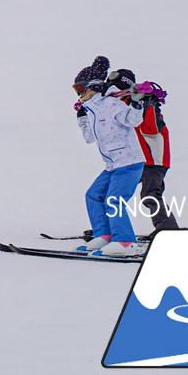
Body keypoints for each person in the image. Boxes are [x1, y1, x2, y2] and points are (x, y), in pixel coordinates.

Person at [73, 57, 150, 258]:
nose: (79, 93)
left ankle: (125, 242)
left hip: (130, 163)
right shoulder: (92, 110)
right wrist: (81, 117)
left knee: (114, 200)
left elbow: (133, 120)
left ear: (93, 87)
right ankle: (105, 235)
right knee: (93, 195)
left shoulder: (111, 103)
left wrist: (135, 102)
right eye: (76, 89)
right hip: (113, 165)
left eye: (80, 88)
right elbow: (89, 138)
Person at [132, 78, 179, 234]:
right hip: (141, 161)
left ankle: (167, 228)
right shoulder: (140, 110)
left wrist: (148, 105)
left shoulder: (152, 111)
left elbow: (150, 130)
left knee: (150, 194)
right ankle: (108, 227)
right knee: (116, 191)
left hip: (153, 162)